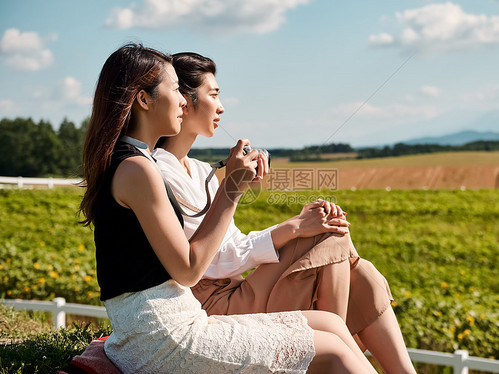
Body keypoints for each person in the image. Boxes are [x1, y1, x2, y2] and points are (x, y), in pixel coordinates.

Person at [80, 43, 377, 374]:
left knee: (330, 325)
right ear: (144, 100)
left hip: (166, 326)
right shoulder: (138, 169)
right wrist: (231, 188)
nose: (182, 101)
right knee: (335, 351)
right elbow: (189, 269)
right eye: (176, 89)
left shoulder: (135, 162)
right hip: (162, 339)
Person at [153, 52, 417, 374]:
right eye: (214, 94)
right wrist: (292, 228)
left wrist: (295, 225)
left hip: (234, 291)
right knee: (329, 233)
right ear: (185, 101)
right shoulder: (161, 173)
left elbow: (230, 244)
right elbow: (214, 261)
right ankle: (330, 362)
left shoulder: (197, 170)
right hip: (212, 306)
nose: (221, 107)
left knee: (356, 266)